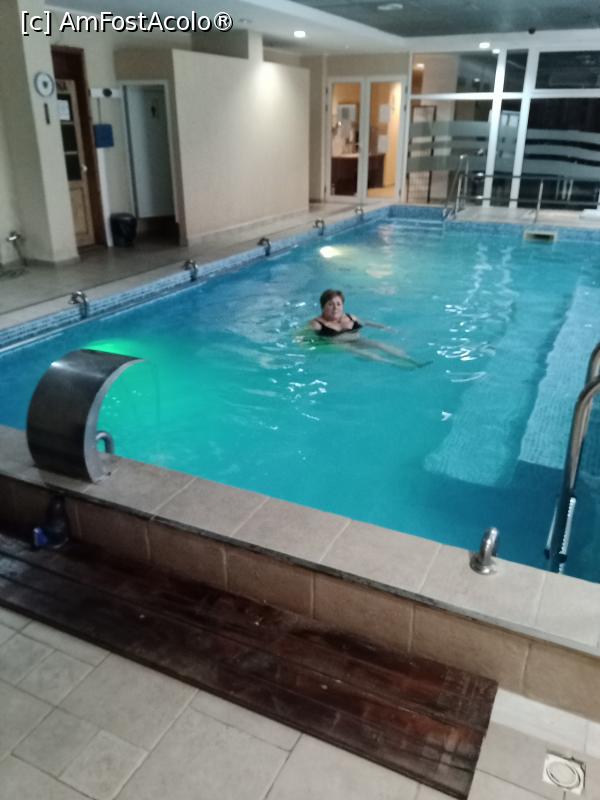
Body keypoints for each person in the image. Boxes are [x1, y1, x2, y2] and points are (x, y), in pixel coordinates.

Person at [309, 289, 430, 368]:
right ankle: (395, 364)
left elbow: (365, 322)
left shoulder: (350, 317)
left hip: (357, 340)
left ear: (342, 305)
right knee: (366, 354)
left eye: (338, 304)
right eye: (330, 304)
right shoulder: (317, 323)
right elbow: (308, 338)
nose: (335, 308)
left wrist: (383, 327)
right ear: (323, 306)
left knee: (379, 345)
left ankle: (413, 361)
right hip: (341, 345)